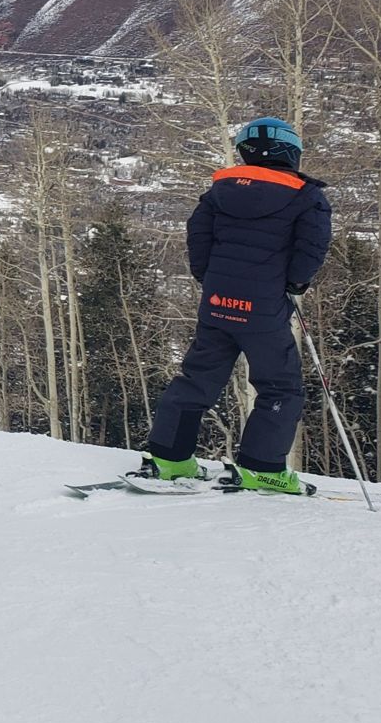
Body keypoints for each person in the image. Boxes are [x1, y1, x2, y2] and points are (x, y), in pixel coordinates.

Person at [139, 116, 332, 494]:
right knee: (280, 386)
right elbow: (312, 247)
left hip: (217, 302)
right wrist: (295, 283)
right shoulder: (306, 196)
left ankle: (168, 458)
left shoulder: (219, 190)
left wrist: (210, 278)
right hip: (264, 308)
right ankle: (262, 467)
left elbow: (198, 237)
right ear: (290, 151)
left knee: (197, 377)